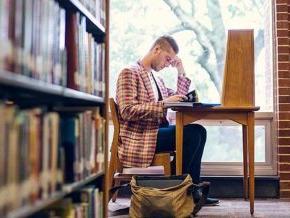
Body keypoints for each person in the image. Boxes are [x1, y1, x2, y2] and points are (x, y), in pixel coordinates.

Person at [116, 35, 219, 205]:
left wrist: (180, 71)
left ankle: (190, 189)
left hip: (155, 132)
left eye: (171, 61)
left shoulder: (156, 78)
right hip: (139, 137)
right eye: (167, 59)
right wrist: (163, 104)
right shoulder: (129, 72)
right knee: (193, 134)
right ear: (156, 50)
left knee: (199, 131)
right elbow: (127, 111)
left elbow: (178, 97)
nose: (167, 64)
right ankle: (187, 191)